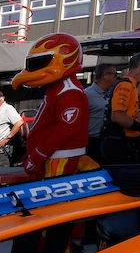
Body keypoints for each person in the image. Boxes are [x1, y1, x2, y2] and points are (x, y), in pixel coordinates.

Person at [12, 33, 99, 180]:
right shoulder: (58, 88)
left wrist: (38, 154)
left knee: (50, 193)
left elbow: (66, 129)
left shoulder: (68, 91)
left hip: (58, 159)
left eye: (40, 62)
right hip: (55, 156)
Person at [101, 54, 140, 165]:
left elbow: (132, 115)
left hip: (121, 143)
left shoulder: (130, 85)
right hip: (118, 144)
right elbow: (117, 116)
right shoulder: (125, 85)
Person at [85, 63, 118, 162]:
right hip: (92, 142)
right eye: (115, 74)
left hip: (109, 141)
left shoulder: (113, 93)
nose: (117, 77)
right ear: (105, 76)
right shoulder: (86, 94)